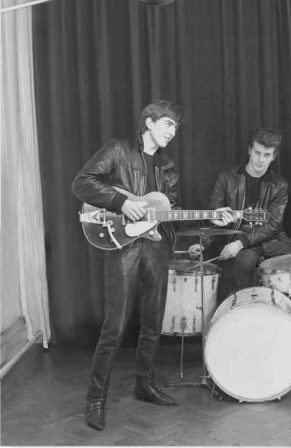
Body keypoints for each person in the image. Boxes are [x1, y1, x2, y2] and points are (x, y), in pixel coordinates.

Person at [71, 100, 183, 431]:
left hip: (155, 248)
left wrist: (215, 219)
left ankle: (144, 385)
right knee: (115, 327)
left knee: (153, 322)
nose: (171, 132)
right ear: (148, 122)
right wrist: (121, 201)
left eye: (175, 128)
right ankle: (95, 400)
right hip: (122, 248)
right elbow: (82, 183)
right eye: (167, 124)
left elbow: (166, 213)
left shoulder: (168, 168)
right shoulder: (118, 151)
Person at [208, 128, 291, 295]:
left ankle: (284, 315)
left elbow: (274, 225)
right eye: (257, 153)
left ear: (274, 156)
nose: (260, 160)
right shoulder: (226, 178)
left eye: (266, 155)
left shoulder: (279, 185)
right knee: (245, 263)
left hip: (267, 241)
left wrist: (242, 242)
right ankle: (241, 312)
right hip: (234, 237)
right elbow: (213, 215)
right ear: (249, 150)